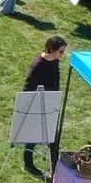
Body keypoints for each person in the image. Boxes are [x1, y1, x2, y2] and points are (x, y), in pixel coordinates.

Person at [21, 36, 67, 175]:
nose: (62, 55)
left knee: (53, 139)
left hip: (51, 103)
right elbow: (28, 87)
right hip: (38, 104)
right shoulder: (39, 65)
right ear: (51, 49)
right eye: (61, 52)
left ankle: (55, 171)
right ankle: (28, 165)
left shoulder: (54, 60)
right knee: (33, 136)